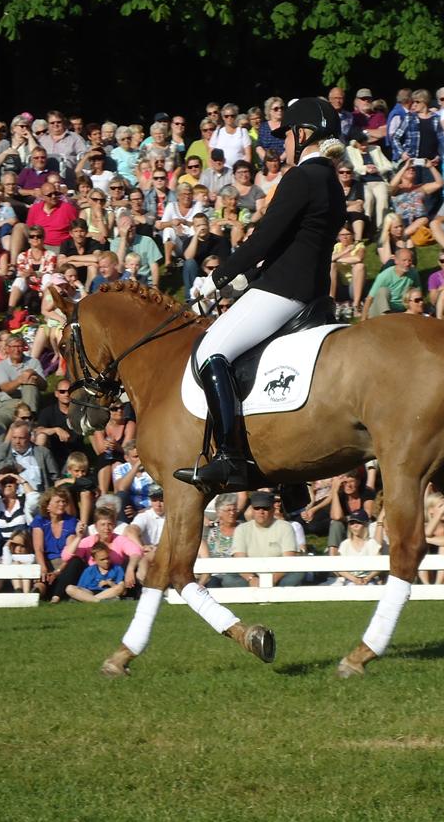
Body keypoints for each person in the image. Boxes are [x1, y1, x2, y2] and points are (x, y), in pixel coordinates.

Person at [174, 97, 347, 493]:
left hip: (283, 292)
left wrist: (220, 276)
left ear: (303, 135)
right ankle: (288, 476)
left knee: (209, 353)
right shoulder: (331, 182)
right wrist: (246, 276)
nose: (283, 144)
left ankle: (230, 458)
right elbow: (292, 242)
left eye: (287, 136)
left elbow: (265, 238)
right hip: (311, 293)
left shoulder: (301, 178)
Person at [222, 491, 303, 588]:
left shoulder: (286, 527)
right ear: (252, 510)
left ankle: (271, 593)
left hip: (279, 573)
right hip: (251, 573)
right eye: (257, 508)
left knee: (297, 575)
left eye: (265, 508)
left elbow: (289, 559)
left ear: (273, 509)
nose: (261, 511)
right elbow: (239, 560)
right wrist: (251, 578)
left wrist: (272, 579)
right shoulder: (242, 529)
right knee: (229, 580)